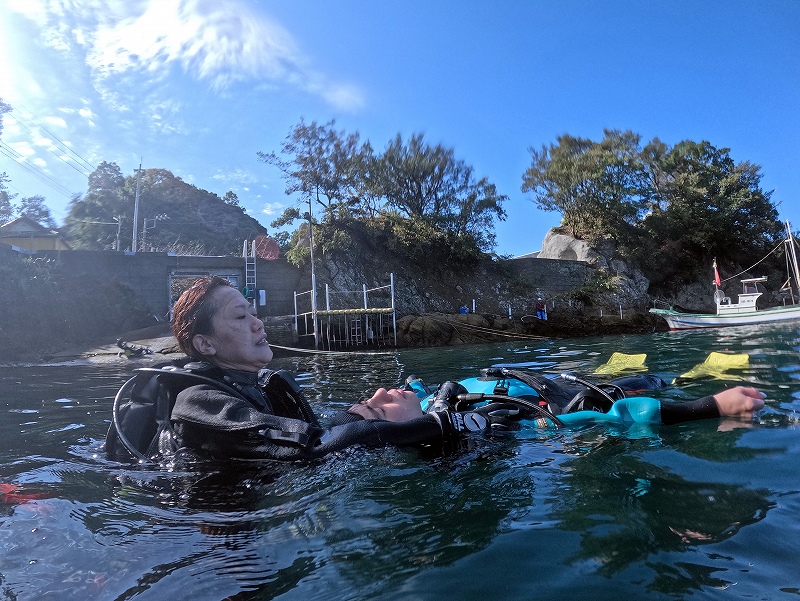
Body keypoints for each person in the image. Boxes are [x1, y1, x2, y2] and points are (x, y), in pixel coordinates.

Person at [106, 276, 765, 462]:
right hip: (210, 542)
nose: (259, 324)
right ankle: (700, 405)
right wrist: (431, 421)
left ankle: (666, 387)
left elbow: (318, 433)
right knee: (517, 419)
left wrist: (367, 411)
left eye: (256, 312)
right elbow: (306, 448)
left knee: (511, 407)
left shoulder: (266, 384)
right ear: (205, 345)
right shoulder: (198, 402)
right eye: (242, 318)